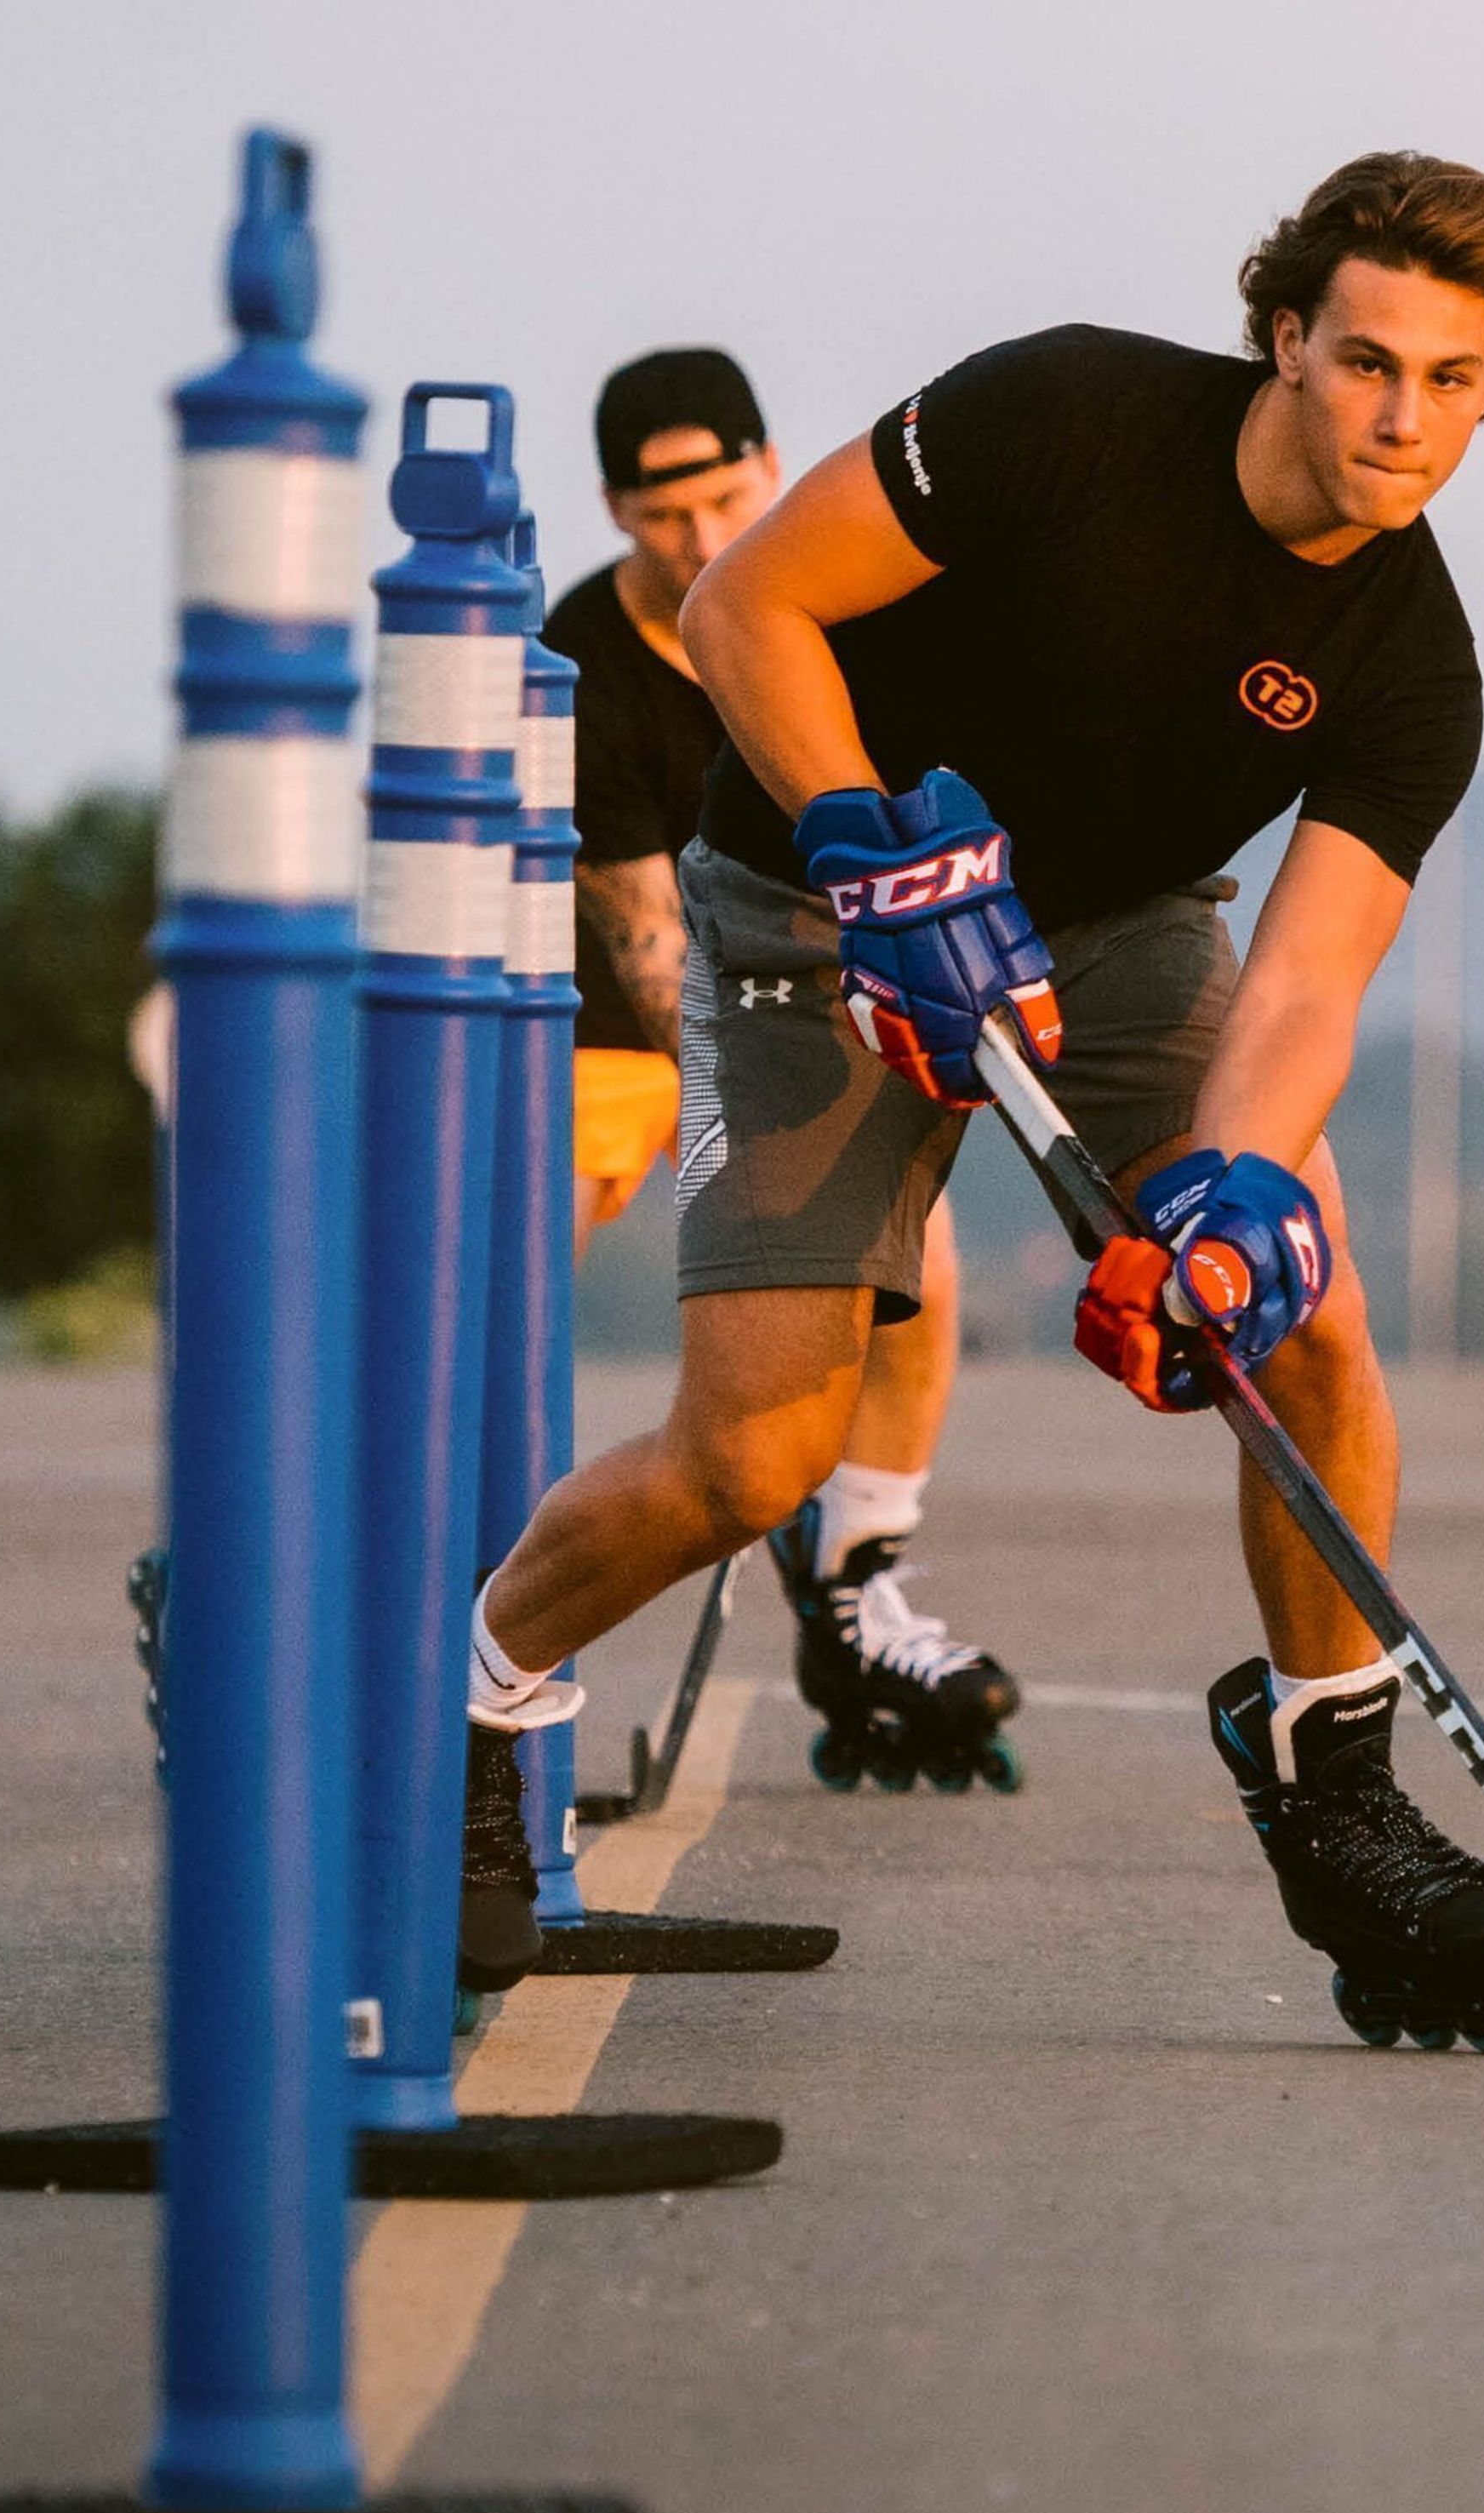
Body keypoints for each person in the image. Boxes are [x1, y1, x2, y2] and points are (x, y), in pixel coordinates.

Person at [464, 155, 1484, 2042]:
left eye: (1453, 382)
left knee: (1305, 1313)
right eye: (1367, 362)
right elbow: (751, 604)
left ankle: (1334, 1793)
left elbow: (1306, 984)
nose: (1404, 419)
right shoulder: (1067, 411)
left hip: (1119, 927)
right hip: (813, 905)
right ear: (1286, 339)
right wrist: (864, 843)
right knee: (751, 1462)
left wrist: (1229, 1202)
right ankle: (470, 1704)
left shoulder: (1416, 666)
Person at [541, 355, 1020, 1795]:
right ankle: (432, 1590)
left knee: (917, 1261)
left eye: (724, 499)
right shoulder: (586, 660)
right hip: (600, 1023)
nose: (701, 539)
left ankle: (856, 1583)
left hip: (818, 989)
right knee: (505, 1274)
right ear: (616, 511)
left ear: (770, 468)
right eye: (662, 515)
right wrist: (763, 1162)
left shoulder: (833, 595)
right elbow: (649, 948)